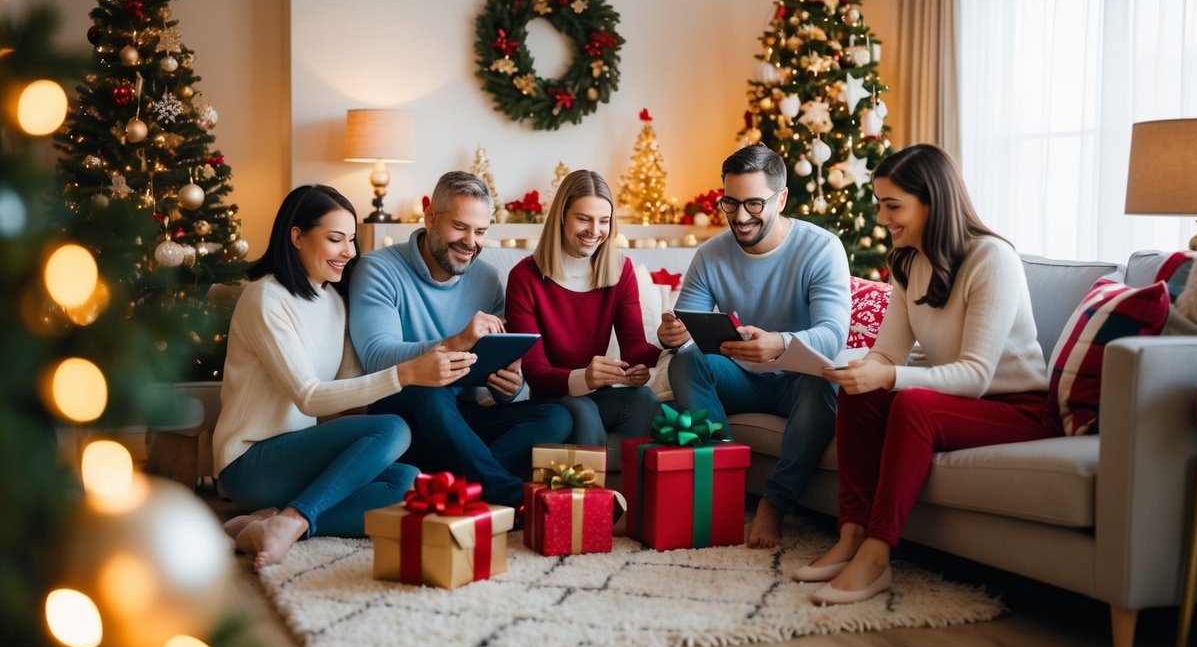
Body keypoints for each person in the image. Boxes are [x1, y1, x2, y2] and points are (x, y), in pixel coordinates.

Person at [803, 144, 1063, 604]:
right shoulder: (906, 264)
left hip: (1016, 408)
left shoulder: (992, 259)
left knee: (911, 403)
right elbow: (888, 352)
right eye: (880, 204)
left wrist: (889, 377)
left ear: (932, 201)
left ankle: (877, 558)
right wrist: (862, 369)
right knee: (862, 392)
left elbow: (977, 376)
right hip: (954, 403)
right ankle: (851, 536)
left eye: (892, 206)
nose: (882, 218)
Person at [213, 185, 476, 571]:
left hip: (299, 455)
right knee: (392, 430)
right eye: (336, 239)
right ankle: (292, 519)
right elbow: (309, 397)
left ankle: (276, 520)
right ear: (297, 237)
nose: (350, 253)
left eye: (351, 240)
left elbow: (350, 388)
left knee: (405, 481)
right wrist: (406, 373)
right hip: (250, 463)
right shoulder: (265, 298)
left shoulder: (334, 301)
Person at [658, 143, 850, 549]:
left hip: (798, 379)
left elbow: (833, 334)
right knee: (687, 362)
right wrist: (672, 334)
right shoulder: (710, 255)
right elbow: (686, 323)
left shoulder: (821, 247)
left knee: (824, 384)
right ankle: (723, 485)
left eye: (753, 204)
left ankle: (773, 505)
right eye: (730, 203)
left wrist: (780, 343)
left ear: (780, 198)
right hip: (739, 378)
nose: (740, 217)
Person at [349, 171, 573, 507]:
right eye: (460, 227)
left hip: (460, 419)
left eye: (480, 231)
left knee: (556, 417)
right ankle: (512, 495)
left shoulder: (486, 278)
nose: (471, 242)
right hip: (404, 415)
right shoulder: (378, 268)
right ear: (430, 217)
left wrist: (508, 386)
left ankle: (447, 483)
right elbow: (376, 357)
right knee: (430, 389)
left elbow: (495, 374)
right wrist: (456, 342)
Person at [505, 169, 661, 450]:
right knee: (583, 411)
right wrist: (584, 377)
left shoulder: (620, 270)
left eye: (604, 221)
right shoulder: (524, 277)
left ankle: (629, 491)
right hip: (551, 401)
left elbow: (634, 349)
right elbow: (535, 372)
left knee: (645, 401)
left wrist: (665, 343)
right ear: (562, 216)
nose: (595, 231)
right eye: (583, 219)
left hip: (599, 397)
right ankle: (590, 493)